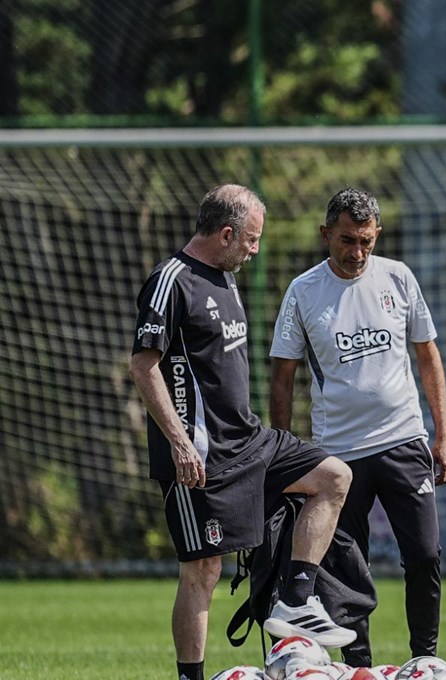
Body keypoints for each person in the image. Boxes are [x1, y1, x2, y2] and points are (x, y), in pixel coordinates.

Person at [129, 184, 356, 680]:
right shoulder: (171, 281)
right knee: (204, 571)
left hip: (250, 441)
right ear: (226, 233)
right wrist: (179, 441)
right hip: (201, 459)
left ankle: (296, 600)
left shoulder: (227, 278)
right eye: (251, 240)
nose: (255, 250)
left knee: (334, 477)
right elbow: (143, 366)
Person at [269, 187, 446, 666]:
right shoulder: (303, 292)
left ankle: (424, 661)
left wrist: (444, 434)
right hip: (339, 455)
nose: (357, 253)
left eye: (366, 242)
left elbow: (428, 355)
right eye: (347, 241)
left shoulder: (399, 277)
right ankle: (358, 669)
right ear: (325, 234)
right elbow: (283, 376)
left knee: (426, 554)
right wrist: (284, 457)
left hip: (404, 440)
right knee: (347, 570)